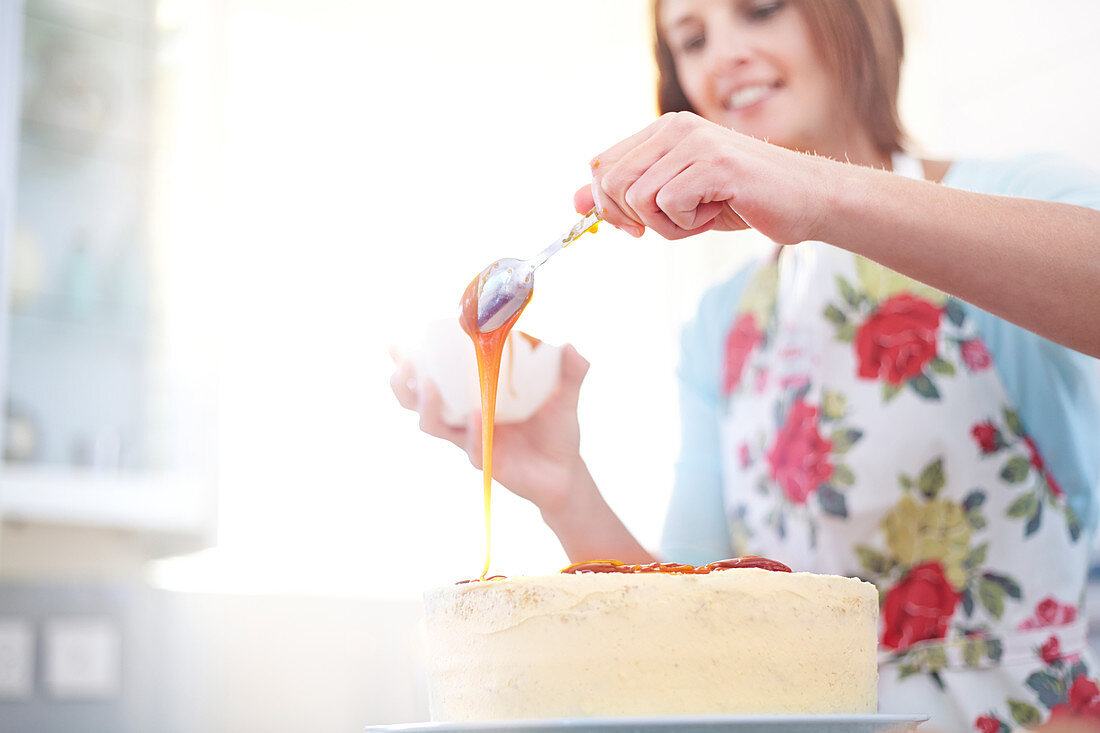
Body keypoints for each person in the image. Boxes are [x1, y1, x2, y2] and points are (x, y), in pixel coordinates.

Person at [392, 0, 1100, 729]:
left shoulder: (1019, 194)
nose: (724, 55)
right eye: (691, 40)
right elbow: (693, 627)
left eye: (760, 9)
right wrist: (564, 488)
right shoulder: (722, 324)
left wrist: (823, 188)